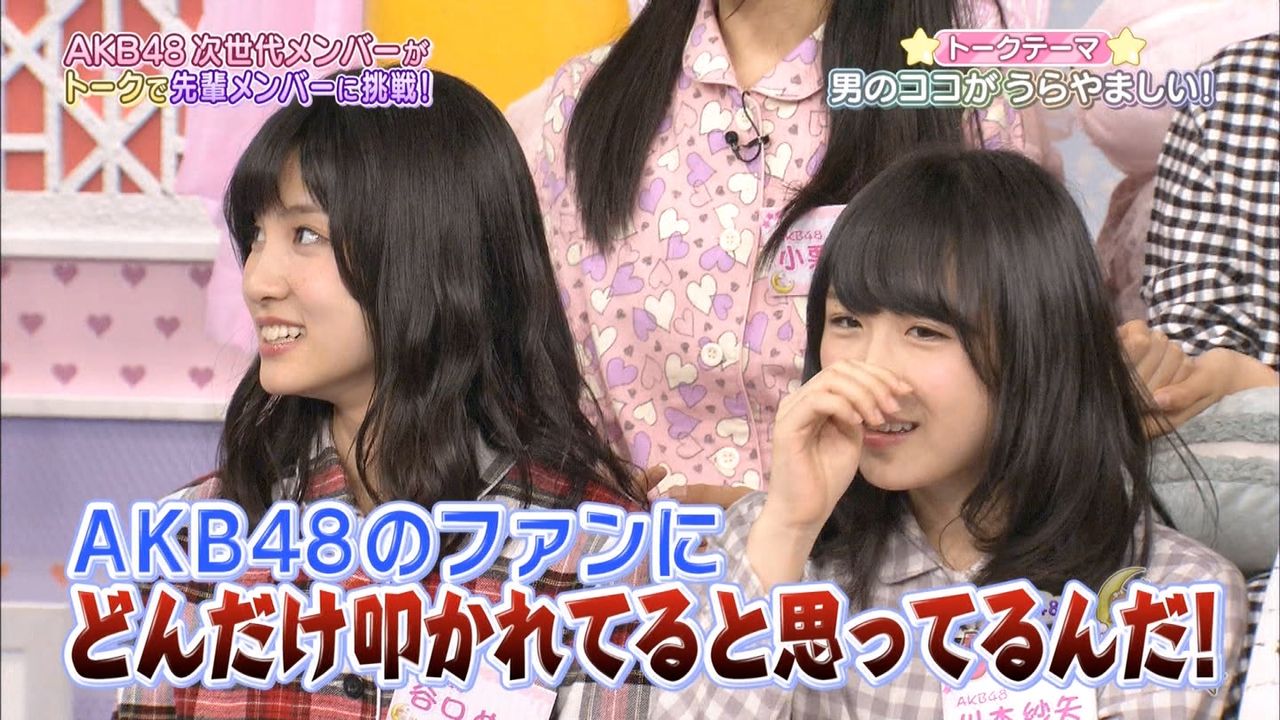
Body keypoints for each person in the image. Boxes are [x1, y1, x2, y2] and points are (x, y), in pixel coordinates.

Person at [115, 71, 650, 719]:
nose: (256, 281)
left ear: (429, 251)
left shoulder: (601, 556)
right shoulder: (189, 538)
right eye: (255, 236)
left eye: (304, 235)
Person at [649, 148, 1247, 718]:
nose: (869, 371)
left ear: (1038, 346)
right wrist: (788, 528)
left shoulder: (1169, 594)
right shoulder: (758, 544)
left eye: (925, 332)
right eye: (847, 321)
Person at [532, 0, 1045, 505]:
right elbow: (558, 385)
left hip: (881, 553)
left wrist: (778, 523)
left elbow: (1014, 370)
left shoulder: (957, 85)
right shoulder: (587, 98)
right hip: (643, 551)